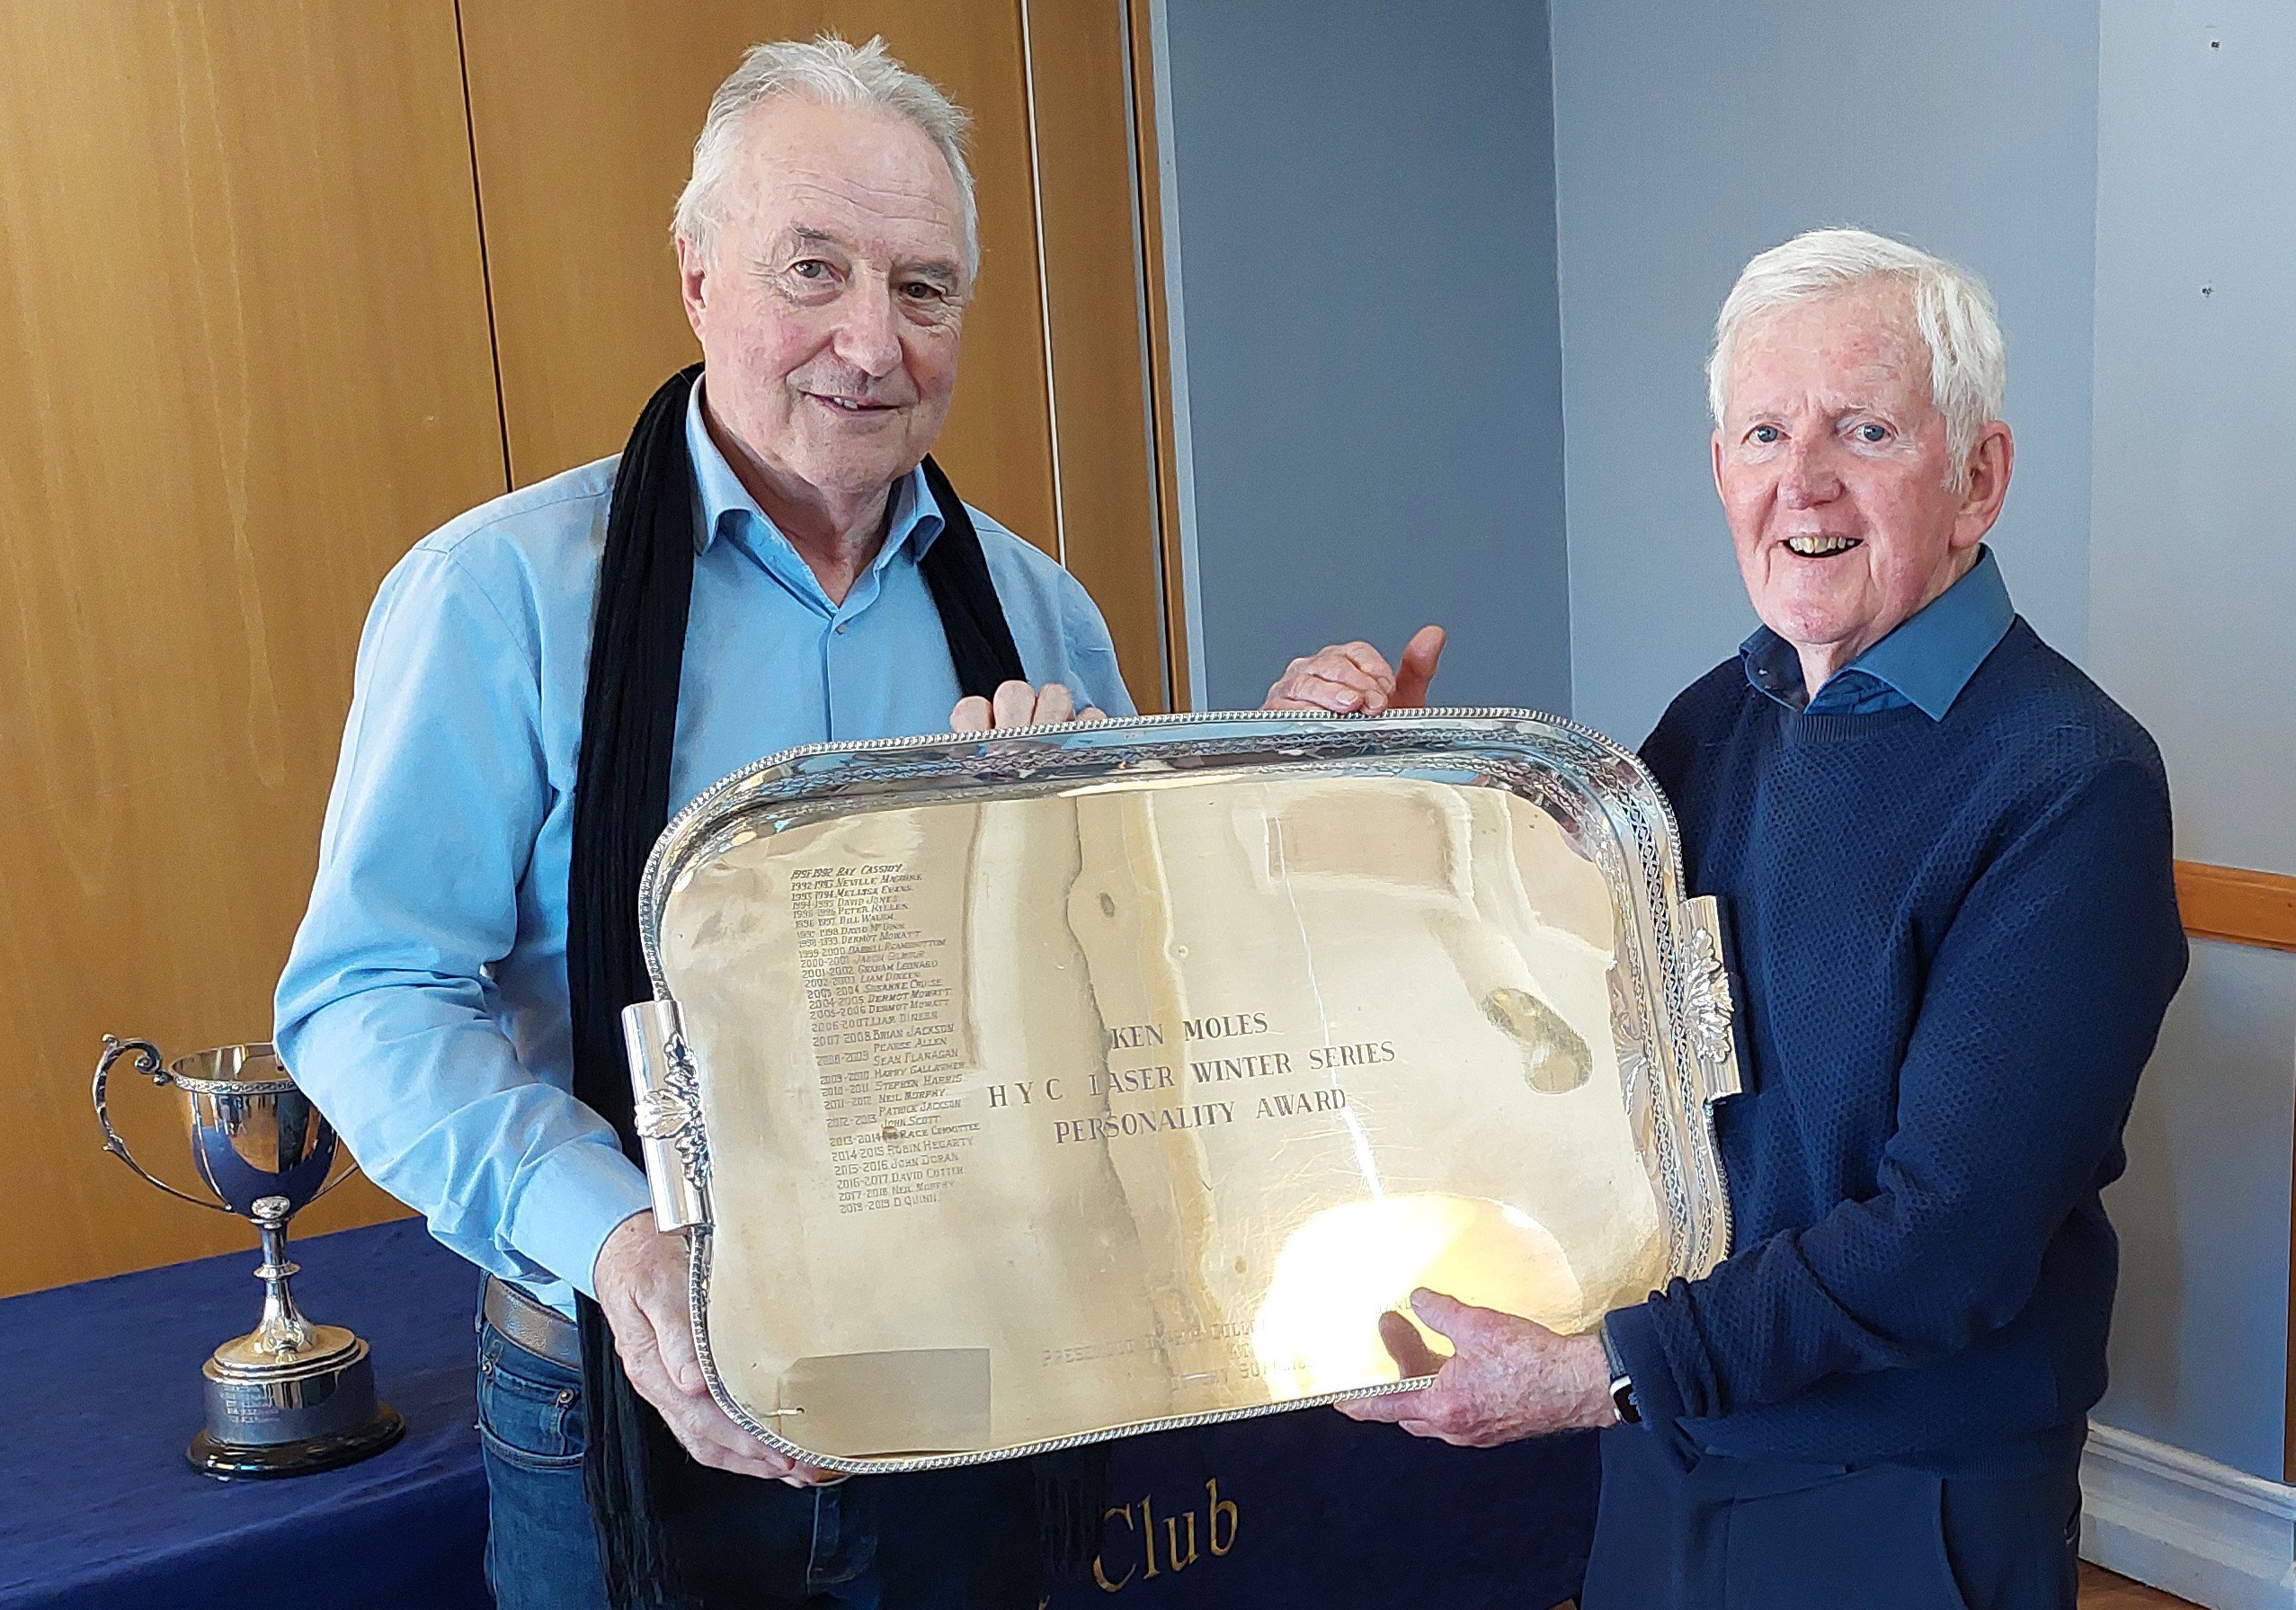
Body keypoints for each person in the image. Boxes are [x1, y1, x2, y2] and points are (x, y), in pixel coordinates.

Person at [277, 36, 1128, 1610]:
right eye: (813, 270)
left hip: (973, 1357)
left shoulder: (1040, 616)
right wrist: (615, 1240)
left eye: (924, 289)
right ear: (696, 279)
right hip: (616, 1361)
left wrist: (1217, 820)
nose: (869, 342)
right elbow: (366, 996)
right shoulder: (499, 596)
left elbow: (1126, 993)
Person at [1265, 227, 2186, 1609]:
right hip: (1673, 1445)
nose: (1800, 481)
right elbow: (1553, 1025)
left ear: (1976, 479)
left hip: (1897, 1489)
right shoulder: (1717, 717)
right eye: (1763, 433)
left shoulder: (2072, 780)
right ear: (1719, 472)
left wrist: (1601, 1371)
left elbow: (1951, 1237)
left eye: (1863, 430)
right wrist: (1392, 795)